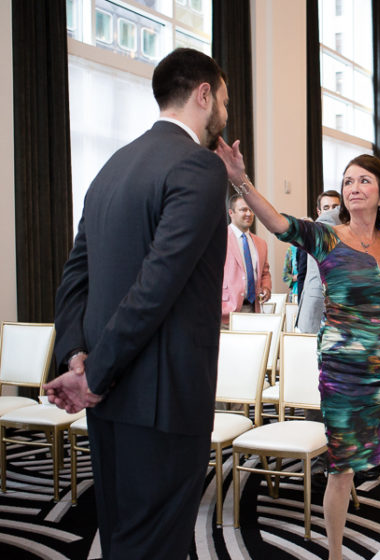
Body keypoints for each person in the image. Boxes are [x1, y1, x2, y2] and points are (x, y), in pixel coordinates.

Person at [214, 142, 380, 560]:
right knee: (341, 467)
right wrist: (240, 182)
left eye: (364, 180)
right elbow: (278, 222)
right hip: (341, 373)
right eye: (348, 181)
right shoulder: (325, 238)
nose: (353, 187)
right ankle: (336, 554)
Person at [45, 48, 229, 559]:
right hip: (163, 400)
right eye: (225, 101)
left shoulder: (113, 164)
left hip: (108, 402)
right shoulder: (199, 166)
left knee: (122, 536)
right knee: (158, 545)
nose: (225, 115)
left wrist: (76, 354)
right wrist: (93, 373)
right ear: (203, 93)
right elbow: (157, 285)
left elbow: (75, 272)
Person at [222, 194, 271, 325]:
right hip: (225, 312)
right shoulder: (219, 239)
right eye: (243, 210)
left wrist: (266, 288)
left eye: (251, 209)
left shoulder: (261, 243)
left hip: (253, 310)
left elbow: (265, 272)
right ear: (231, 213)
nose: (249, 213)